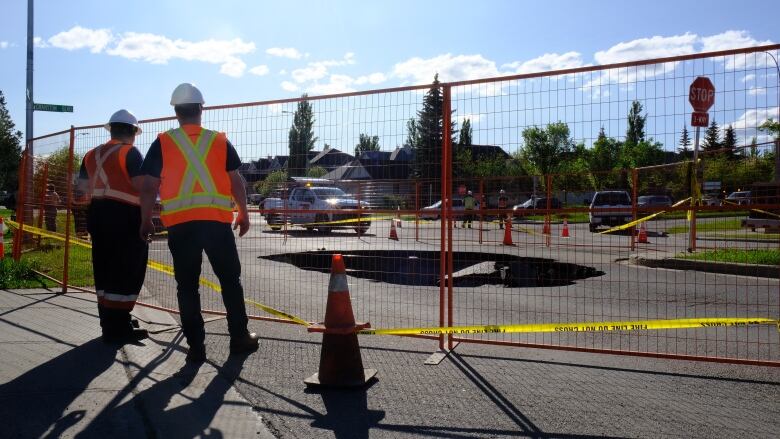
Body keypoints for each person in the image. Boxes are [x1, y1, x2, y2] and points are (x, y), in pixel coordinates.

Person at [139, 83, 258, 363]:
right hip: (216, 223)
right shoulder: (218, 140)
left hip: (181, 226)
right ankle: (239, 338)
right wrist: (244, 212)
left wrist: (145, 219)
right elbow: (235, 181)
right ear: (201, 109)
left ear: (176, 112)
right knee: (230, 281)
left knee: (187, 287)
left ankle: (196, 347)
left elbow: (148, 186)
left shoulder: (163, 143)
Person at [78, 109, 149, 343]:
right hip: (125, 217)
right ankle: (119, 326)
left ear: (112, 129)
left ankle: (110, 322)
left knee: (105, 268)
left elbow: (80, 191)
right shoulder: (130, 153)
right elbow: (142, 188)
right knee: (127, 270)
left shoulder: (90, 155)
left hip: (98, 215)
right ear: (132, 132)